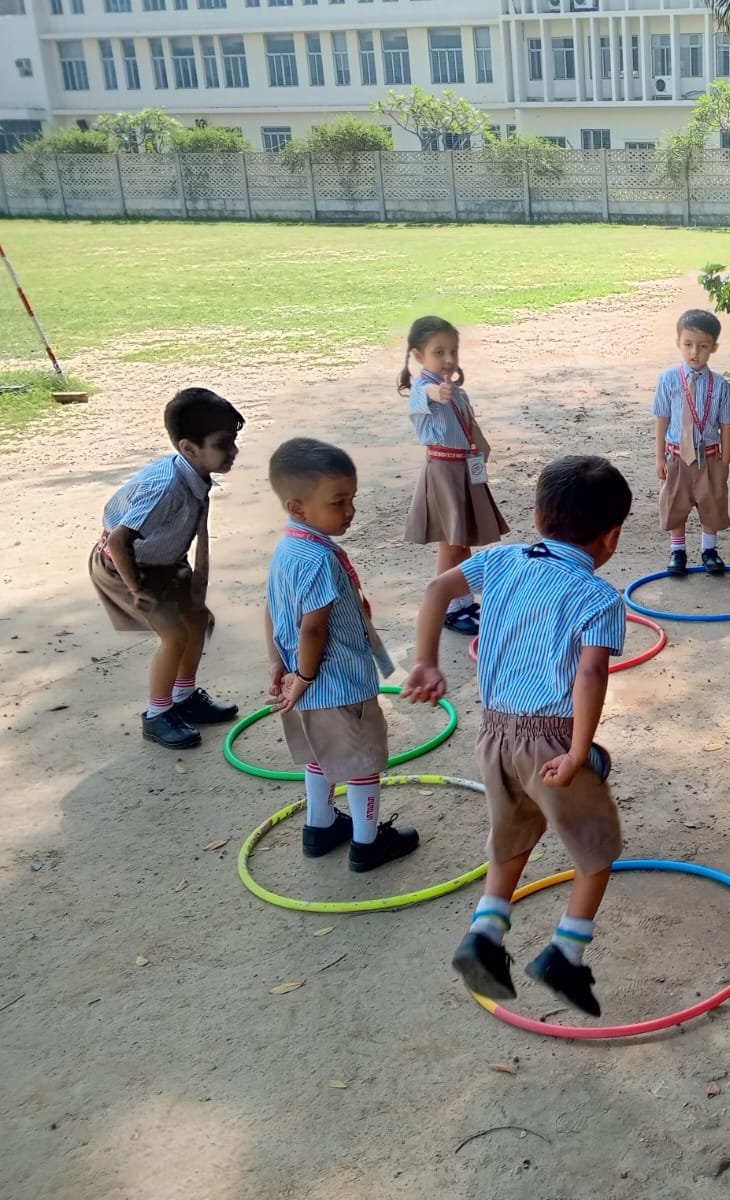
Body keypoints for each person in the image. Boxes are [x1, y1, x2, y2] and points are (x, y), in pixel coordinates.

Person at [405, 455, 632, 1016]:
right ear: (611, 537)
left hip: (495, 734)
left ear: (535, 517)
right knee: (597, 848)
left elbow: (436, 588)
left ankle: (484, 935)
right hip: (551, 740)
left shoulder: (501, 560)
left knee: (513, 835)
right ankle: (565, 956)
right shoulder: (598, 598)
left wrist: (426, 661)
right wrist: (577, 752)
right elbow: (590, 675)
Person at [266, 438, 419, 872]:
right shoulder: (317, 559)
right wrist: (304, 677)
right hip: (337, 683)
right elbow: (313, 627)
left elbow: (271, 607)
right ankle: (367, 844)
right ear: (298, 508)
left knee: (321, 754)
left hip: (303, 682)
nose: (350, 510)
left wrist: (278, 663)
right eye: (338, 502)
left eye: (352, 498)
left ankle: (320, 826)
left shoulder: (287, 547)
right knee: (362, 762)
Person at [89, 387, 244, 750]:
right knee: (175, 635)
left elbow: (194, 530)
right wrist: (137, 590)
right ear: (189, 448)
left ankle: (184, 697)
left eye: (233, 441)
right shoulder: (167, 487)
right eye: (223, 444)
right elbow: (119, 542)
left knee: (198, 620)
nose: (234, 451)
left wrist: (195, 579)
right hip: (125, 566)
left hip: (165, 562)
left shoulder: (196, 473)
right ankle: (157, 714)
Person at [401, 315, 509, 635]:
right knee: (450, 544)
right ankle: (448, 607)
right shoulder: (423, 389)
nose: (448, 359)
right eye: (438, 352)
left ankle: (462, 601)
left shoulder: (458, 393)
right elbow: (426, 395)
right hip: (443, 472)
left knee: (462, 542)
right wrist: (437, 392)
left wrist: (481, 451)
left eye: (453, 351)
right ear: (418, 355)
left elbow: (469, 425)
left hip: (464, 468)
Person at [654, 309, 730, 577]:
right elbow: (662, 419)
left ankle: (709, 551)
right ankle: (677, 552)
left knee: (711, 503)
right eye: (688, 344)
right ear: (678, 343)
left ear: (714, 347)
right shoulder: (668, 380)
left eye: (703, 346)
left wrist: (725, 462)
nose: (694, 352)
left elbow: (726, 426)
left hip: (709, 457)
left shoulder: (721, 385)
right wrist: (659, 457)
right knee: (675, 504)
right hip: (676, 457)